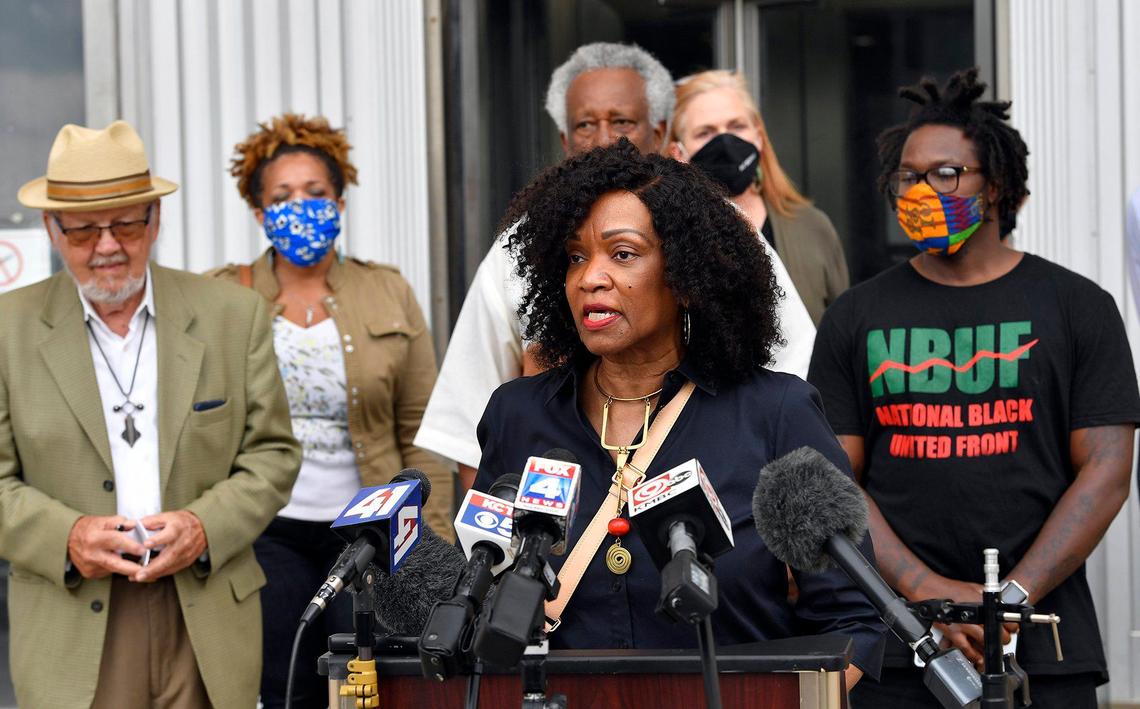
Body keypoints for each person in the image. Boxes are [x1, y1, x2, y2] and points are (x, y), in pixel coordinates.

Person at [472, 140, 885, 689]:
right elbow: (482, 599)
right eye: (575, 257)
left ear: (687, 276)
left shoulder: (774, 412)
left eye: (622, 254)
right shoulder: (517, 414)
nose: (590, 277)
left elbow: (852, 622)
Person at [807, 69, 1140, 708]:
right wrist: (927, 592)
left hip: (1044, 647)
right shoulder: (855, 316)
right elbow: (834, 481)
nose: (922, 190)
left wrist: (1007, 602)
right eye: (908, 176)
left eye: (946, 174)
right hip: (897, 646)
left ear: (998, 186)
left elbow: (1105, 471)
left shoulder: (1077, 307)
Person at [415, 42, 817, 490]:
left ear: (662, 131)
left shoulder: (719, 231)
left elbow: (791, 379)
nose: (607, 138)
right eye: (586, 124)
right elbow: (477, 437)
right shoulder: (518, 249)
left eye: (623, 121)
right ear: (566, 141)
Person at [0, 120, 300, 707]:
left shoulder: (232, 316)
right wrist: (68, 536)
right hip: (72, 617)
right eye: (84, 230)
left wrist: (204, 526)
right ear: (51, 230)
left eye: (126, 223)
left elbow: (274, 454)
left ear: (156, 219)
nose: (107, 246)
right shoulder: (6, 330)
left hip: (206, 610)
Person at [209, 113, 452, 708]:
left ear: (340, 202)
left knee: (366, 685)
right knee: (283, 682)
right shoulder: (222, 296)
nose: (302, 208)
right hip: (268, 533)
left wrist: (432, 537)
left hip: (370, 532)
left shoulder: (387, 290)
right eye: (283, 197)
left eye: (316, 194)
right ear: (260, 213)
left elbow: (420, 426)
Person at [669, 69, 849, 326]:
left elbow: (840, 336)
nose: (725, 142)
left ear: (759, 137)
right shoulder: (669, 238)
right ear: (678, 153)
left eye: (736, 126)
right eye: (705, 133)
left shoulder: (812, 227)